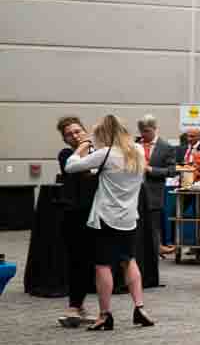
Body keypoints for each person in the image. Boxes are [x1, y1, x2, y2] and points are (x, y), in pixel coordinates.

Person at [60, 115, 155, 331]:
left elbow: (70, 166)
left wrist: (83, 146)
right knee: (129, 261)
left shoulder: (105, 154)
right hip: (130, 217)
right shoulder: (138, 151)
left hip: (106, 218)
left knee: (103, 265)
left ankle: (104, 315)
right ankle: (140, 308)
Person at [54, 115, 99, 327]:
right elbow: (75, 168)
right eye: (69, 134)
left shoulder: (98, 152)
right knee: (76, 260)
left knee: (91, 262)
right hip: (74, 214)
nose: (74, 135)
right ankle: (73, 305)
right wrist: (84, 145)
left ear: (85, 129)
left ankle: (80, 306)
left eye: (77, 131)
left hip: (96, 213)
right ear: (65, 139)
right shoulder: (66, 154)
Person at [136, 115, 177, 258]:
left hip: (153, 195)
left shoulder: (166, 147)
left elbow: (172, 171)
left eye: (146, 131)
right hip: (133, 194)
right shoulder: (134, 145)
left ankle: (153, 258)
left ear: (154, 129)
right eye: (141, 131)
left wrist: (150, 170)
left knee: (153, 229)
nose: (143, 134)